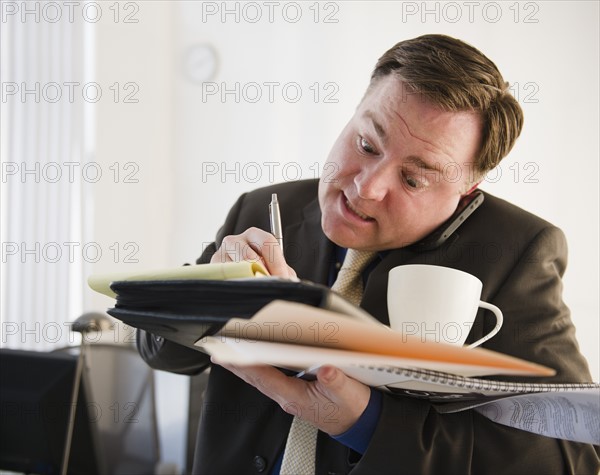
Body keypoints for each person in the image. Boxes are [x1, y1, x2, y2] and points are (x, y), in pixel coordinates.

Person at [137, 34, 599, 474]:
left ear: (466, 191)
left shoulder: (516, 251)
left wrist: (368, 421)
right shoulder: (262, 207)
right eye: (366, 144)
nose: (366, 187)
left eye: (414, 179)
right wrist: (205, 301)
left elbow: (570, 457)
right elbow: (161, 350)